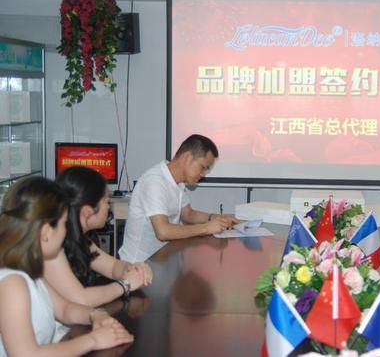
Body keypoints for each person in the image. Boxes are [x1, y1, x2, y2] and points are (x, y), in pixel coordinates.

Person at [0, 176, 133, 355]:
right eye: (64, 223)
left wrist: (95, 315)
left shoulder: (27, 269)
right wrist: (93, 340)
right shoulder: (12, 283)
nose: (66, 230)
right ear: (46, 232)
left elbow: (64, 309)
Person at [43, 166, 152, 308]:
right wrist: (125, 284)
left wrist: (133, 269)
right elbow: (81, 298)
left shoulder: (81, 240)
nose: (109, 207)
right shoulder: (53, 248)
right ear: (87, 212)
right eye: (107, 201)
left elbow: (112, 267)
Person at [119, 134, 238, 263]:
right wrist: (207, 228)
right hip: (138, 264)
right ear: (187, 157)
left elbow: (188, 214)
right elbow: (163, 232)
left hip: (161, 259)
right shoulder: (155, 182)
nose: (203, 174)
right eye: (202, 168)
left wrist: (215, 218)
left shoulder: (177, 181)